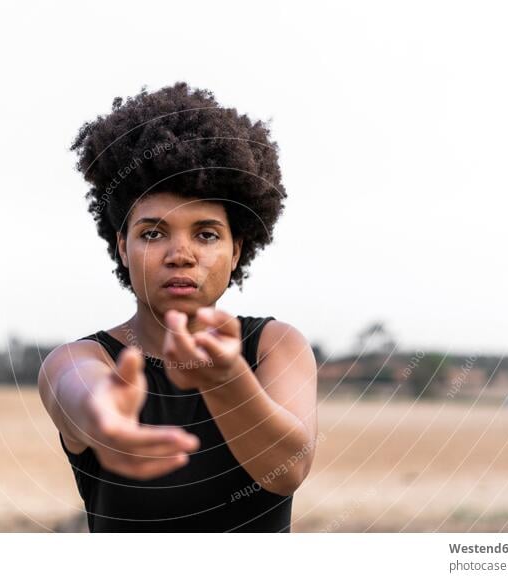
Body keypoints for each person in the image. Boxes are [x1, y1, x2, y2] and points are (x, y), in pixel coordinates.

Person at [38, 82, 317, 532]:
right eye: (152, 233)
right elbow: (78, 391)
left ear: (238, 250)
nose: (180, 254)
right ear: (122, 248)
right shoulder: (81, 360)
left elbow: (287, 470)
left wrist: (229, 384)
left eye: (206, 234)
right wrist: (105, 419)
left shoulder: (274, 344)